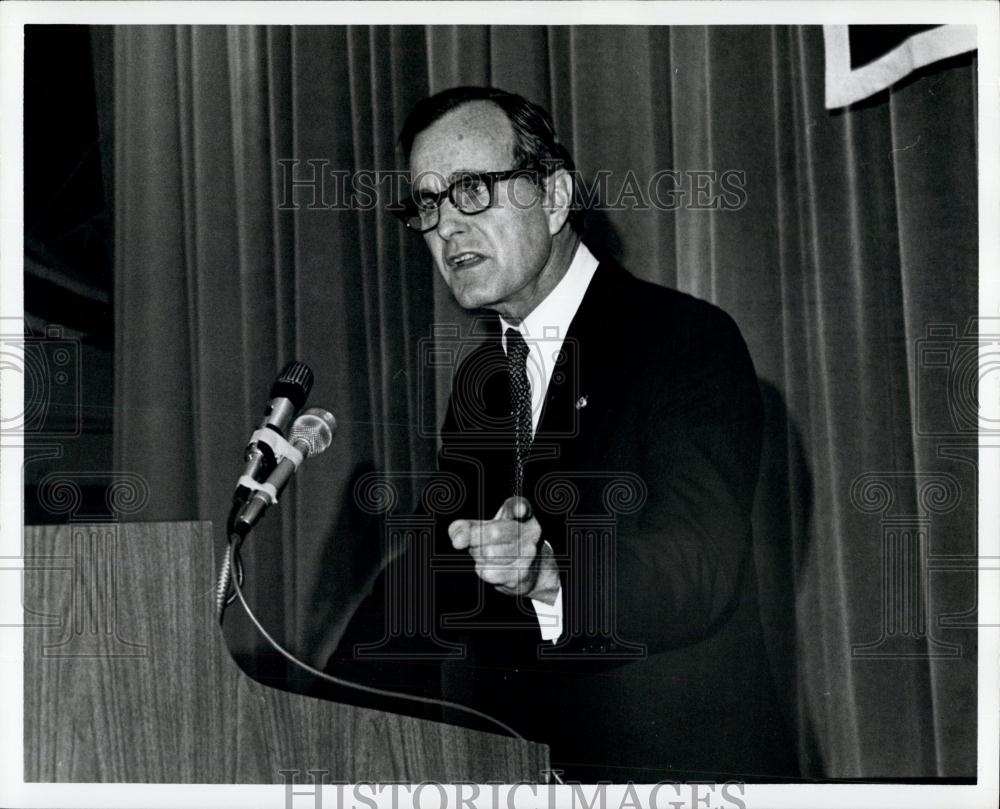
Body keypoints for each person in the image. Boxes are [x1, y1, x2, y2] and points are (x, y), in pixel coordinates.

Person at [325, 86, 798, 783]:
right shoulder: (482, 383)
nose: (447, 226)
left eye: (472, 190)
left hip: (677, 779)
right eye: (427, 204)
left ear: (553, 196)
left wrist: (551, 576)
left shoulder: (683, 340)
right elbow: (429, 579)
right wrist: (309, 711)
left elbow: (697, 563)